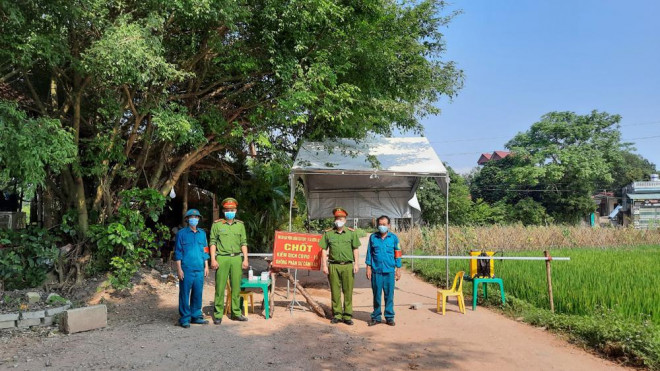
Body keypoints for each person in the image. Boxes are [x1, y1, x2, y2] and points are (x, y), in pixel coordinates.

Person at [209, 197, 249, 324]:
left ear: (236, 210)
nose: (229, 211)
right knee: (220, 287)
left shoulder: (240, 225)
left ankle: (236, 313)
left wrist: (245, 259)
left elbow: (244, 243)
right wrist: (213, 259)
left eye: (232, 209)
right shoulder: (217, 225)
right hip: (222, 257)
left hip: (237, 258)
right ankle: (218, 314)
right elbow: (213, 242)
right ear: (223, 211)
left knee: (236, 287)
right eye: (227, 209)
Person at [320, 207, 361, 325]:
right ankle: (337, 315)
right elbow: (323, 249)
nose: (339, 220)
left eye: (341, 218)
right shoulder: (328, 233)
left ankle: (347, 315)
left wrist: (356, 264)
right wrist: (324, 265)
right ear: (334, 219)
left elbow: (355, 249)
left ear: (345, 220)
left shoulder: (351, 233)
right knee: (335, 291)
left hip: (348, 266)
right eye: (337, 218)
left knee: (348, 291)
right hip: (333, 265)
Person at [174, 209, 210, 328]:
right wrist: (179, 269)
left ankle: (196, 316)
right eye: (191, 217)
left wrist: (206, 265)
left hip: (199, 269)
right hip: (186, 269)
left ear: (199, 219)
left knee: (197, 293)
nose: (194, 219)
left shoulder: (202, 234)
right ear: (187, 219)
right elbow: (178, 252)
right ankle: (185, 318)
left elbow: (205, 250)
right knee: (184, 294)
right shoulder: (181, 234)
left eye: (196, 217)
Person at [365, 215, 402, 326]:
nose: (382, 226)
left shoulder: (394, 238)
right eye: (380, 224)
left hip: (389, 271)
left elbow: (398, 254)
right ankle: (376, 317)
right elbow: (369, 253)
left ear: (388, 225)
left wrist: (398, 268)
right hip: (376, 271)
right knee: (376, 295)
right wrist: (368, 267)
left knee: (389, 295)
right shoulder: (373, 237)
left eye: (384, 224)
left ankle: (389, 317)